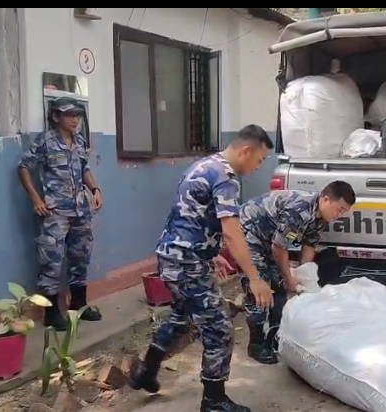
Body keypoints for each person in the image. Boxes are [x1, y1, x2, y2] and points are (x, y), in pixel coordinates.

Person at [129, 124, 276, 412]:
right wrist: (254, 277)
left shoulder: (205, 165)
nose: (258, 167)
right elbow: (232, 232)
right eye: (259, 160)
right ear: (246, 151)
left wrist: (211, 254)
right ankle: (214, 400)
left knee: (182, 316)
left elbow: (191, 215)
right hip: (187, 264)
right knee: (219, 329)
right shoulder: (227, 178)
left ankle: (146, 371)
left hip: (173, 255)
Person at [238, 181, 356, 364]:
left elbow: (309, 246)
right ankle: (256, 344)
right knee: (260, 291)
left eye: (343, 212)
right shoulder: (299, 210)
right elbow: (279, 248)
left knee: (279, 288)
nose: (339, 215)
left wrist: (302, 275)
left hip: (270, 239)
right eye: (339, 209)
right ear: (326, 200)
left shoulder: (321, 216)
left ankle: (274, 335)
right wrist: (288, 277)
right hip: (249, 235)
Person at [18, 97, 103, 331]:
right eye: (69, 115)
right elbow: (23, 167)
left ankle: (79, 305)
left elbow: (84, 169)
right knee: (51, 262)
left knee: (80, 257)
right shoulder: (45, 141)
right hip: (55, 213)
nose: (74, 120)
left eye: (77, 115)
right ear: (56, 117)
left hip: (80, 210)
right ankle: (51, 313)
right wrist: (36, 199)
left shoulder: (79, 141)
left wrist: (95, 189)